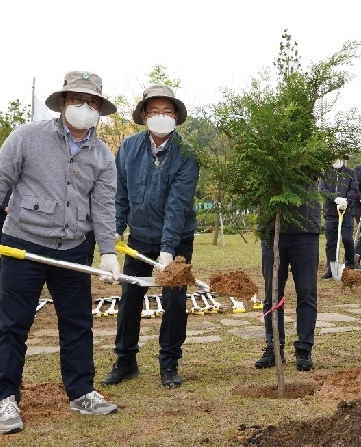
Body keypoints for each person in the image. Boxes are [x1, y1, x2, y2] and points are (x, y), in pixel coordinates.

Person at [0, 70, 121, 434]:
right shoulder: (26, 137)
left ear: (99, 109)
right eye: (78, 100)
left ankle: (81, 392)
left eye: (92, 102)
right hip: (24, 245)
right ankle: (5, 398)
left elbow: (103, 206)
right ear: (63, 102)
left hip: (72, 250)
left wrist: (109, 251)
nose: (85, 108)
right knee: (14, 326)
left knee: (78, 324)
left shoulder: (101, 155)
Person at [102, 84, 199, 389]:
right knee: (130, 296)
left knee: (174, 299)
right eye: (155, 111)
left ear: (176, 116)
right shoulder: (129, 148)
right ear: (144, 115)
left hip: (177, 238)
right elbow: (120, 195)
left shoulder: (186, 154)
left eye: (167, 111)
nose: (161, 116)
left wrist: (168, 251)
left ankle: (168, 362)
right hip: (139, 238)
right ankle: (125, 360)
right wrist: (115, 231)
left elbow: (177, 205)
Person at [254, 185, 321, 372]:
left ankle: (304, 348)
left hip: (305, 228)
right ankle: (274, 347)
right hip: (271, 227)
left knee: (307, 291)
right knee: (272, 293)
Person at [318, 157, 359, 279]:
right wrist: (335, 199)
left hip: (347, 211)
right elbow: (322, 189)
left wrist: (347, 200)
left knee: (347, 239)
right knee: (331, 242)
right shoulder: (326, 173)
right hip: (331, 212)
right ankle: (331, 269)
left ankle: (350, 267)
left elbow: (354, 189)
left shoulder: (350, 173)